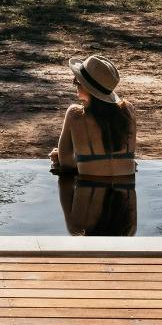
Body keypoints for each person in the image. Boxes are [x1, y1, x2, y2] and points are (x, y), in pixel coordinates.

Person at [49, 54, 136, 235]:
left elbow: (66, 164)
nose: (75, 84)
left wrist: (61, 159)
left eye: (77, 81)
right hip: (125, 201)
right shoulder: (129, 111)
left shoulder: (75, 114)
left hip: (88, 192)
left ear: (86, 87)